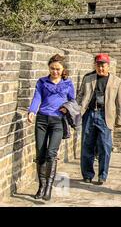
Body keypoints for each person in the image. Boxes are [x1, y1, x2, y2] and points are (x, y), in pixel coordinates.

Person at [27, 54, 75, 201]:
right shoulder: (42, 82)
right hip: (41, 120)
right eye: (52, 69)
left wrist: (67, 108)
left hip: (58, 122)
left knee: (51, 154)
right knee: (40, 154)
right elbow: (37, 97)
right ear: (49, 68)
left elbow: (73, 100)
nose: (55, 72)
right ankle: (41, 186)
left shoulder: (68, 84)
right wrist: (32, 111)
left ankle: (48, 187)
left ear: (63, 69)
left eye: (58, 69)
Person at [77, 53, 121, 185]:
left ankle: (102, 175)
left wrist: (119, 121)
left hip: (105, 116)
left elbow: (120, 103)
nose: (101, 68)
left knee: (105, 146)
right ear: (95, 66)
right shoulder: (88, 78)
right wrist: (77, 110)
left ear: (108, 66)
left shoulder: (117, 81)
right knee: (87, 145)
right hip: (89, 114)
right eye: (98, 65)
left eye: (103, 66)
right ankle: (87, 174)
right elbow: (80, 95)